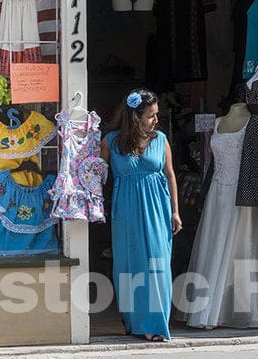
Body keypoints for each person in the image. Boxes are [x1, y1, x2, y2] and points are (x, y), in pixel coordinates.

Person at [100, 88, 182, 342]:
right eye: (150, 115)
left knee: (157, 265)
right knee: (130, 264)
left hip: (158, 207)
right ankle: (133, 320)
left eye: (156, 115)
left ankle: (155, 324)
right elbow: (98, 176)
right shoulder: (111, 141)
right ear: (134, 117)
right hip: (126, 210)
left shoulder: (160, 139)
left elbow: (170, 175)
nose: (156, 120)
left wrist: (176, 212)